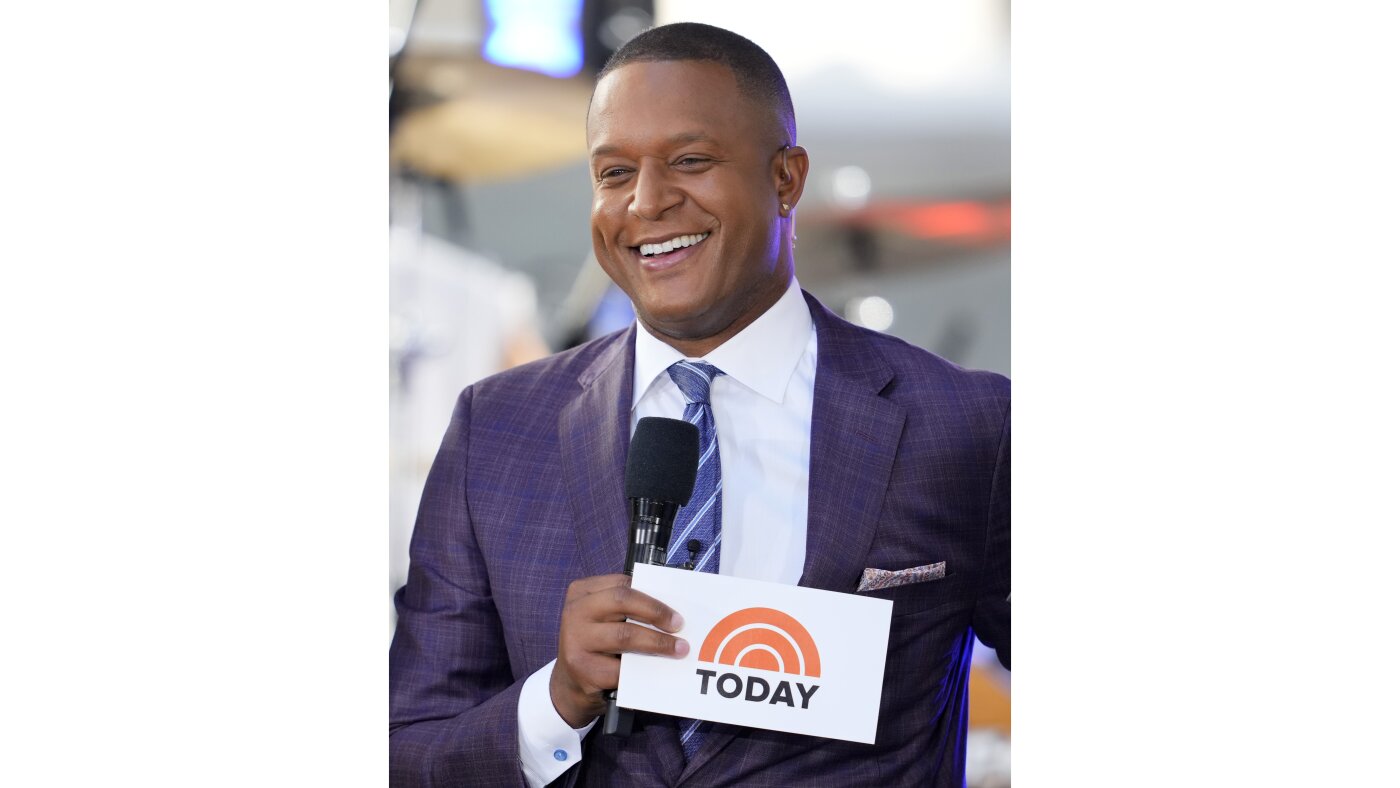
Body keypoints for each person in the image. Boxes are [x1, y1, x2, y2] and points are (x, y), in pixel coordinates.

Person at [389, 22, 1009, 787]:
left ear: (786, 178)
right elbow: (407, 752)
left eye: (690, 161)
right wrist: (554, 703)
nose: (647, 201)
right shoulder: (497, 429)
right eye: (614, 173)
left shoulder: (967, 426)